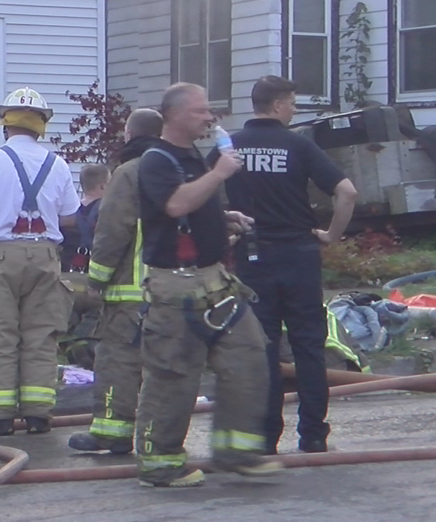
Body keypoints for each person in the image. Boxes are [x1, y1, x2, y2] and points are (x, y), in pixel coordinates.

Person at [133, 83, 280, 488]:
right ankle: (159, 463)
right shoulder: (156, 160)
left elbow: (194, 205)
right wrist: (219, 172)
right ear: (176, 114)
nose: (209, 117)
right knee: (173, 377)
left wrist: (222, 217)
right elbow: (176, 205)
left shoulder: (191, 157)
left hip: (216, 283)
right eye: (200, 111)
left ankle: (238, 453)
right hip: (177, 289)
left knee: (250, 358)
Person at [227, 75, 359, 454]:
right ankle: (314, 434)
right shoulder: (298, 145)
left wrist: (227, 226)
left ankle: (266, 437)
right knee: (308, 346)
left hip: (253, 257)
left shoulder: (231, 147)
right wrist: (332, 235)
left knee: (262, 348)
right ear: (279, 105)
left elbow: (202, 194)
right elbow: (346, 191)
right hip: (299, 256)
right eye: (293, 103)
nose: (295, 109)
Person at [0, 88, 81, 435]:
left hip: (2, 255)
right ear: (41, 123)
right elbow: (71, 217)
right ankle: (38, 415)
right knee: (41, 335)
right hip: (45, 256)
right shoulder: (57, 164)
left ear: (5, 121)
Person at [67, 107, 163, 455]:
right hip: (174, 290)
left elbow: (112, 231)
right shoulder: (178, 169)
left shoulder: (129, 173)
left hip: (129, 291)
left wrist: (97, 278)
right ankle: (159, 440)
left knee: (117, 361)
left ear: (129, 136)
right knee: (166, 368)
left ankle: (113, 432)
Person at [70, 164, 108, 272]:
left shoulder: (69, 212)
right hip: (97, 267)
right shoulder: (107, 210)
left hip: (68, 266)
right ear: (103, 186)